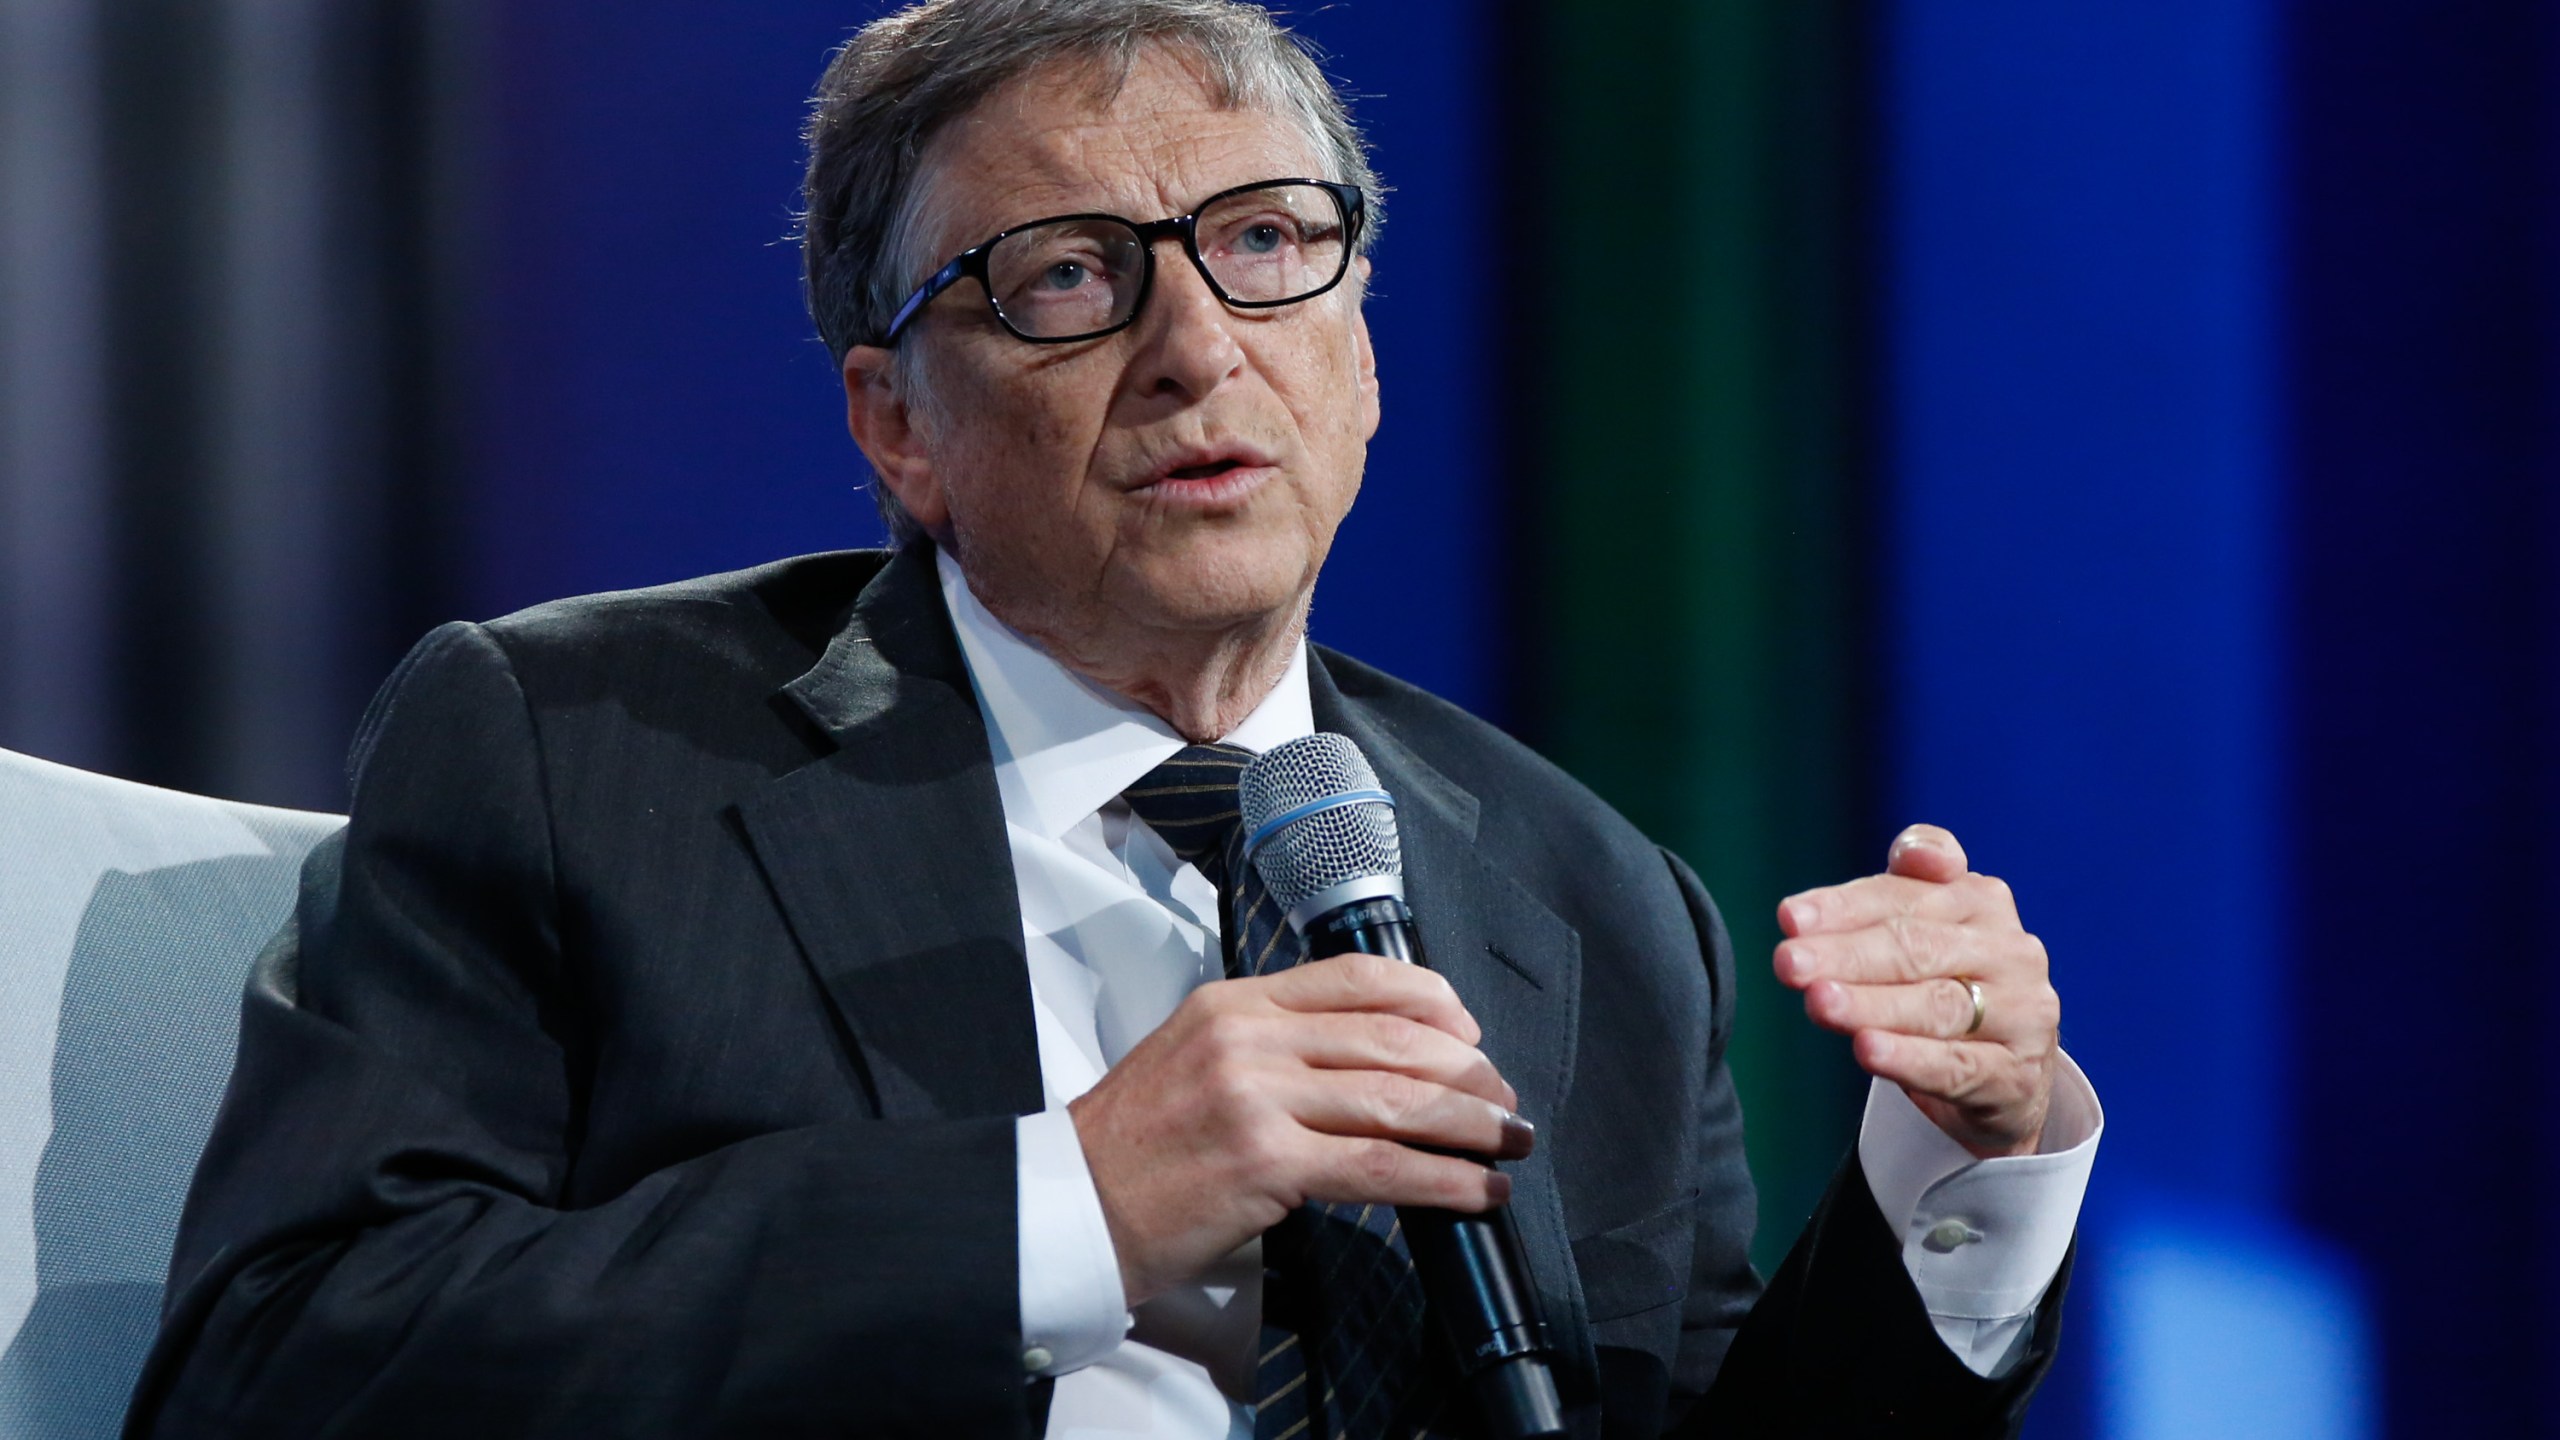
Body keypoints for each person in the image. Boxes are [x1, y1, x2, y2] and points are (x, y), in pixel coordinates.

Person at [130, 1, 2099, 1435]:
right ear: (894, 423)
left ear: (1359, 355)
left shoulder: (1588, 896)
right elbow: (287, 1362)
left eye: (1262, 247)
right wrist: (1069, 1196)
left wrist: (1964, 1173)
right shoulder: (582, 748)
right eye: (1067, 278)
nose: (1190, 349)